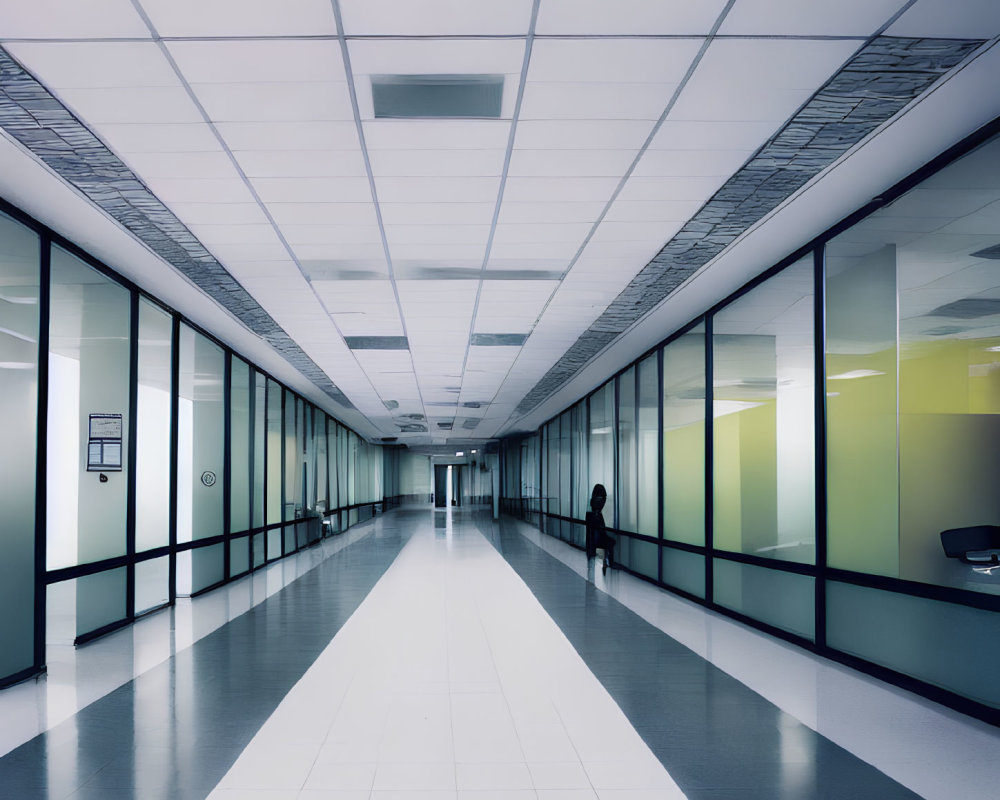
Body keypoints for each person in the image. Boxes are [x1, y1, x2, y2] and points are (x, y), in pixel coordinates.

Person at [585, 484, 615, 574]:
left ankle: (604, 563)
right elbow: (601, 527)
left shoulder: (591, 506)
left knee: (592, 555)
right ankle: (606, 563)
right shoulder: (598, 512)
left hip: (592, 538)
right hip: (597, 536)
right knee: (609, 543)